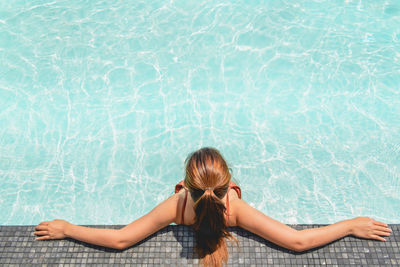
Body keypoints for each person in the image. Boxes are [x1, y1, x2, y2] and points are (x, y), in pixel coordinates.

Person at [35, 147, 392, 267]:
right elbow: (296, 242)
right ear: (231, 186)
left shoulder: (178, 206)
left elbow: (121, 240)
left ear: (182, 186)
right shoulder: (234, 208)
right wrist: (348, 225)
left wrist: (66, 229)